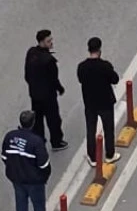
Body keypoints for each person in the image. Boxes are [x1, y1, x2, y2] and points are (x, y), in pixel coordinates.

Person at [1, 109, 54, 211]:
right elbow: (44, 165)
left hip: (16, 178)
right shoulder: (36, 141)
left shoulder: (10, 137)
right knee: (38, 205)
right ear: (33, 123)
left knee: (20, 202)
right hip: (34, 181)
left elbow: (4, 157)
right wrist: (44, 177)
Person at [76, 36, 120, 168]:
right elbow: (115, 79)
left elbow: (80, 80)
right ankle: (110, 155)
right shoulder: (105, 66)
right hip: (105, 102)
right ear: (100, 49)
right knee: (108, 129)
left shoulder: (82, 67)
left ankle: (93, 157)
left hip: (90, 103)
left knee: (91, 130)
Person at [24, 29, 66, 150]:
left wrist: (33, 87)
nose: (51, 42)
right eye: (49, 41)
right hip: (48, 96)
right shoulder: (49, 60)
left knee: (37, 121)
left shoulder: (31, 53)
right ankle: (56, 142)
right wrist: (60, 88)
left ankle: (39, 143)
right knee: (54, 119)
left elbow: (27, 75)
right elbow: (54, 79)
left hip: (35, 95)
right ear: (42, 42)